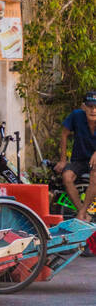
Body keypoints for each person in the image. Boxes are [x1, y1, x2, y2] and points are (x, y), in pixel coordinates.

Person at [55, 90, 96, 220]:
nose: (93, 110)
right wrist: (63, 160)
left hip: (94, 161)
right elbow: (64, 134)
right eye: (90, 107)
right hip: (79, 159)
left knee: (95, 176)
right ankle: (83, 212)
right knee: (66, 177)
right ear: (83, 107)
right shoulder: (76, 116)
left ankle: (81, 214)